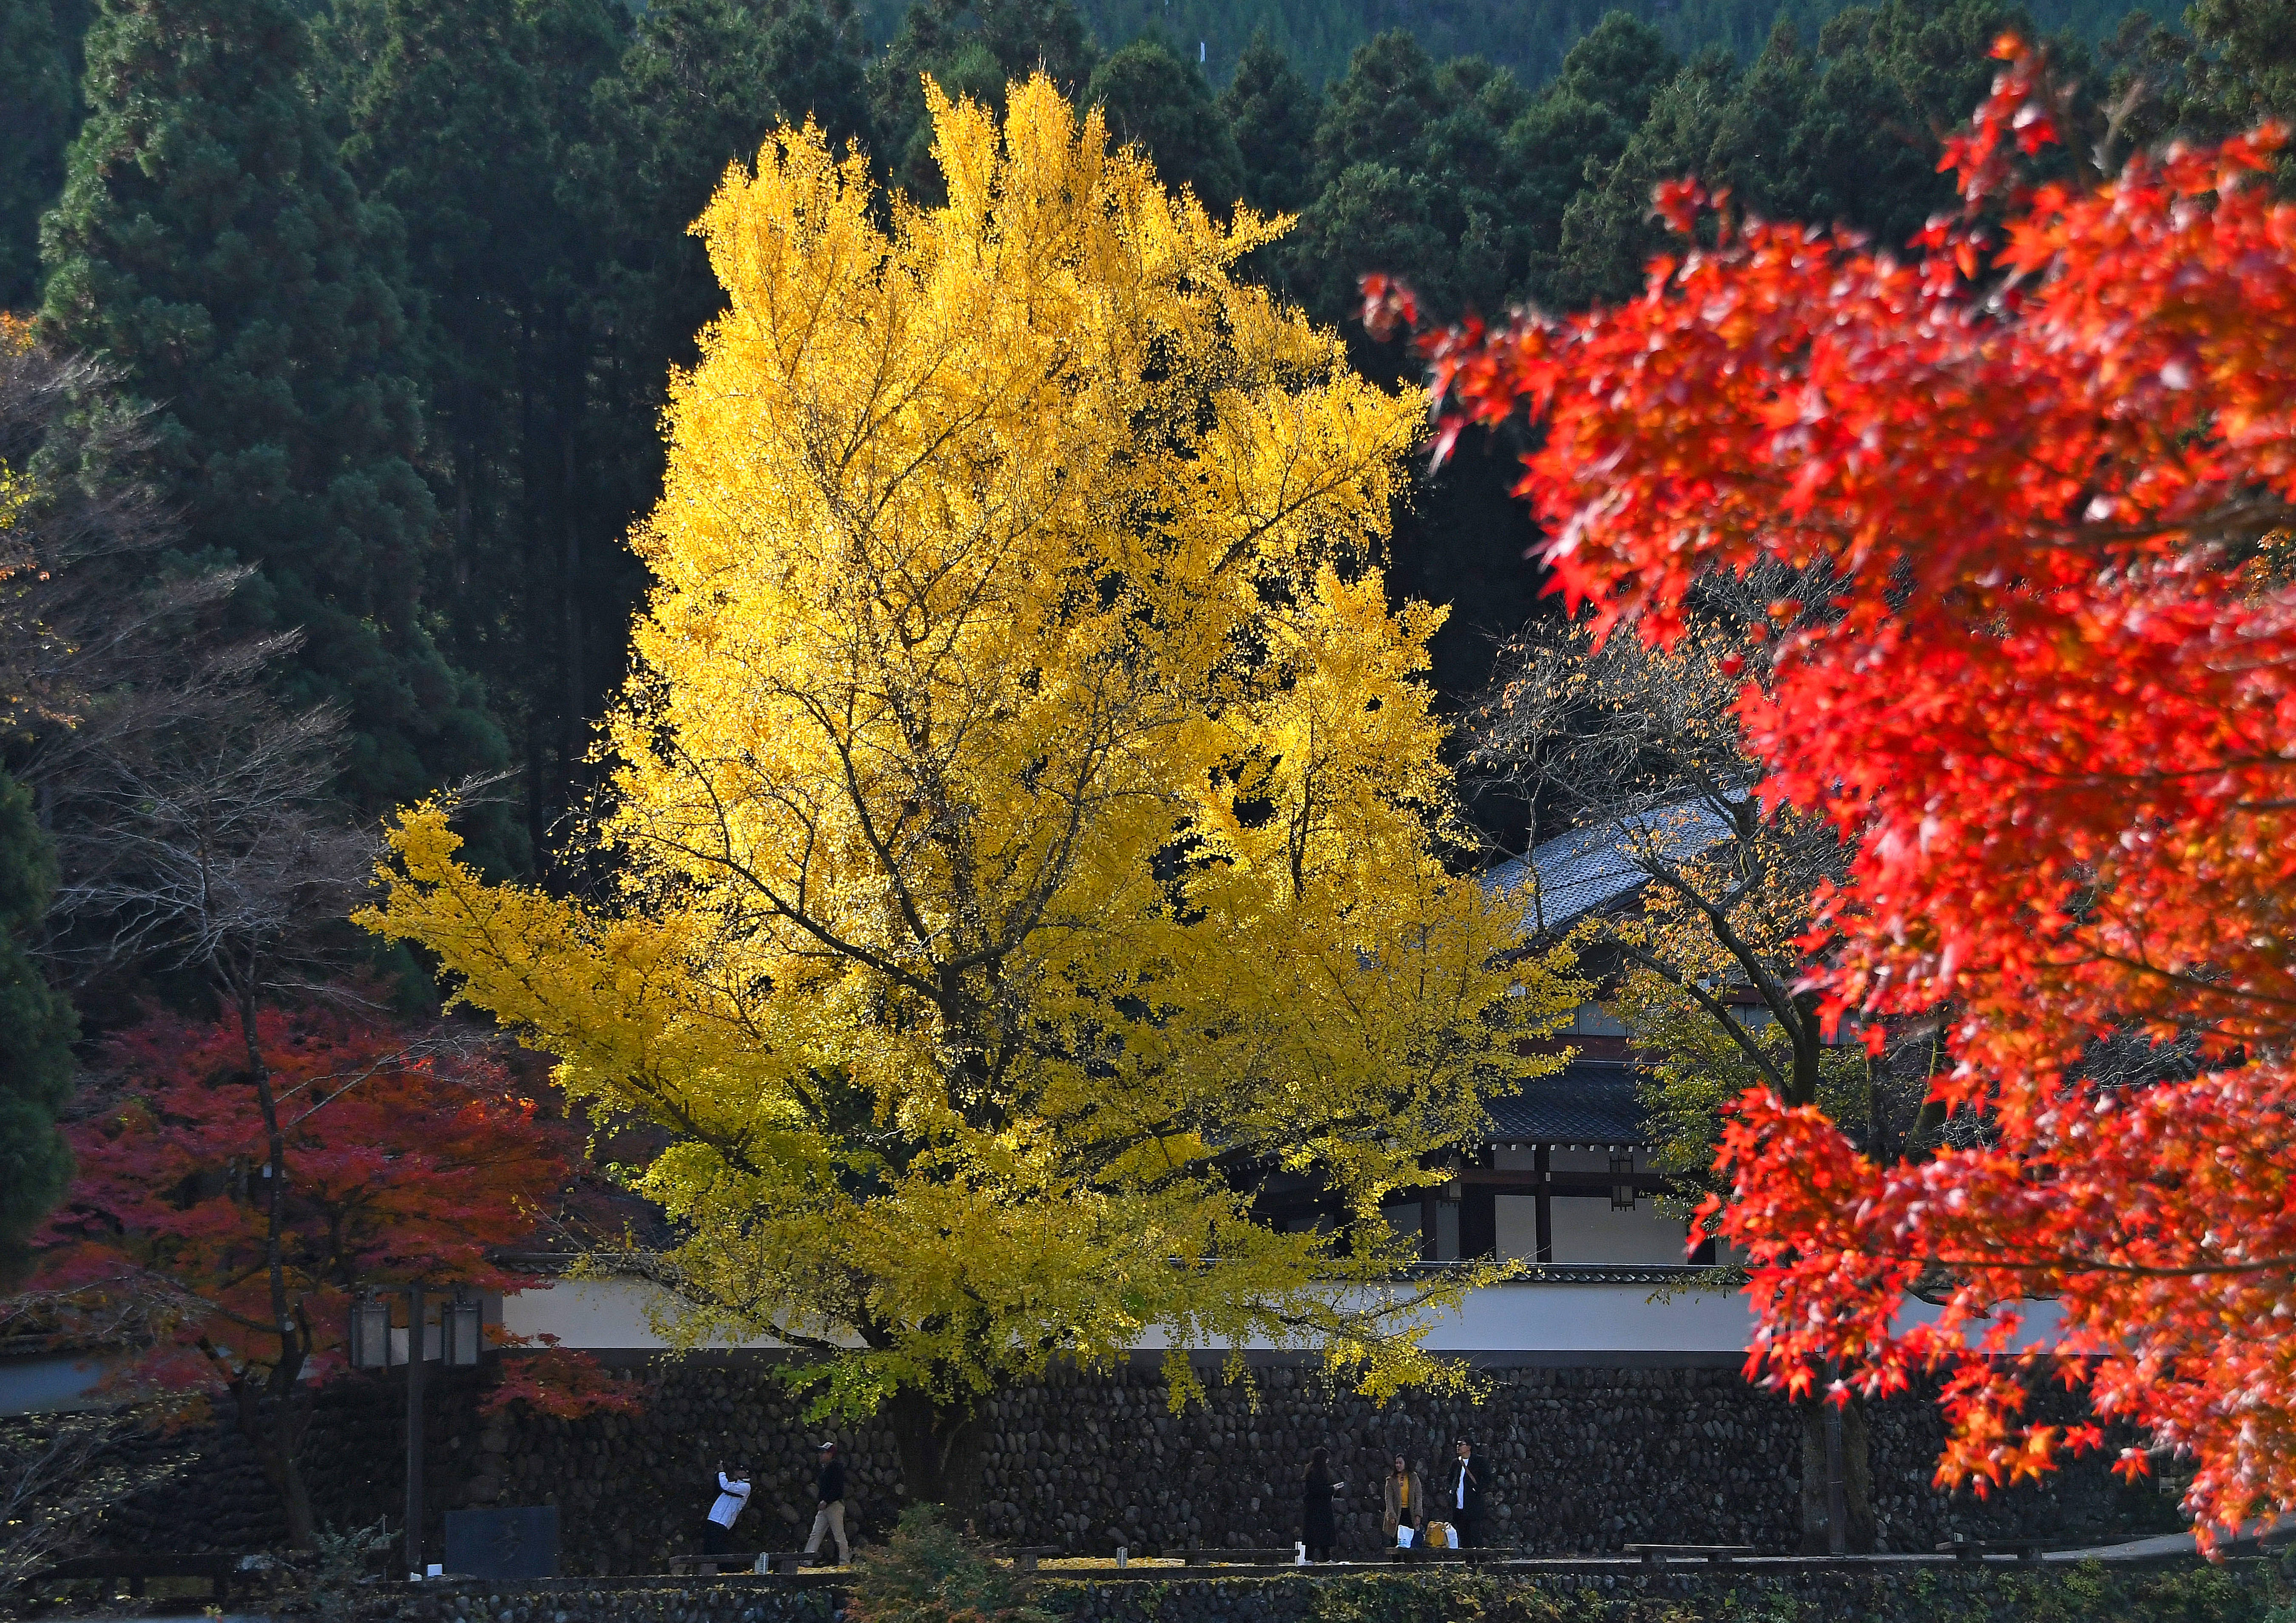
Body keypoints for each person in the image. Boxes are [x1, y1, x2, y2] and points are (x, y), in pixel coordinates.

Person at [804, 1439, 851, 1566]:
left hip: (834, 1505)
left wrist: (826, 1500)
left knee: (839, 1535)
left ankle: (845, 1561)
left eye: (823, 1453)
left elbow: (837, 1488)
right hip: (825, 1506)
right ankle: (806, 1560)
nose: (820, 1455)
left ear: (830, 1454)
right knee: (816, 1533)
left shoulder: (836, 1468)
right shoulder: (825, 1468)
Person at [1300, 1446, 1341, 1561]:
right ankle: (1313, 1559)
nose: (1328, 1460)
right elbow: (1317, 1490)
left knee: (1318, 1535)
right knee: (1318, 1534)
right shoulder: (1315, 1473)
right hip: (1318, 1508)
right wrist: (1332, 1489)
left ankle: (1323, 1558)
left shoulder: (1313, 1471)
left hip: (1317, 1508)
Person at [704, 1460, 752, 1555]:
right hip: (714, 1518)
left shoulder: (745, 1487)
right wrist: (719, 1472)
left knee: (716, 1551)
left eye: (739, 1470)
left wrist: (721, 1471)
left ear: (745, 1473)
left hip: (722, 1522)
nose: (736, 1472)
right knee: (708, 1549)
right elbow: (720, 1486)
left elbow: (725, 1487)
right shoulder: (735, 1484)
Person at [1447, 1439, 1483, 1550]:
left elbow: (1487, 1478)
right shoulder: (1456, 1463)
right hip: (1459, 1505)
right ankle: (1468, 1559)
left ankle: (1481, 1558)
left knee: (1475, 1534)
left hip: (1473, 1505)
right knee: (1463, 1535)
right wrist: (1452, 1490)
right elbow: (1450, 1479)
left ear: (1469, 1447)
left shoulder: (1479, 1461)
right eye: (1457, 1445)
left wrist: (1476, 1489)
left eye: (1461, 1445)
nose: (1458, 1447)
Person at [1382, 1454, 1424, 1546]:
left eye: (1400, 1463)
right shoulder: (1391, 1480)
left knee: (1410, 1539)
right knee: (1396, 1539)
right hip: (1397, 1512)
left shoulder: (1413, 1478)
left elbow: (1419, 1497)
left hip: (1410, 1512)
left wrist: (1418, 1514)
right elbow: (1388, 1499)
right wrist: (1391, 1514)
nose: (1398, 1465)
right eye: (1397, 1463)